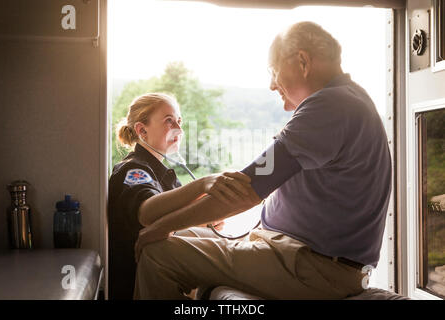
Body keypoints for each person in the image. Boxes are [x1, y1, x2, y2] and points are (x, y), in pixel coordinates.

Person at [133, 21, 392, 300]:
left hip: (310, 267)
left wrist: (163, 226)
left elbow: (246, 190)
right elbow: (258, 183)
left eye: (273, 71)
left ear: (302, 62)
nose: (271, 84)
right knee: (178, 240)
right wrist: (184, 221)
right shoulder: (349, 100)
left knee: (158, 253)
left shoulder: (331, 106)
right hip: (296, 256)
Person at [107, 93, 251, 299]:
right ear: (142, 130)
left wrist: (204, 222)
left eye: (179, 121)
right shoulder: (133, 170)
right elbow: (147, 212)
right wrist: (202, 184)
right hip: (136, 286)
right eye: (169, 121)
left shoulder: (161, 173)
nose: (179, 129)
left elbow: (173, 216)